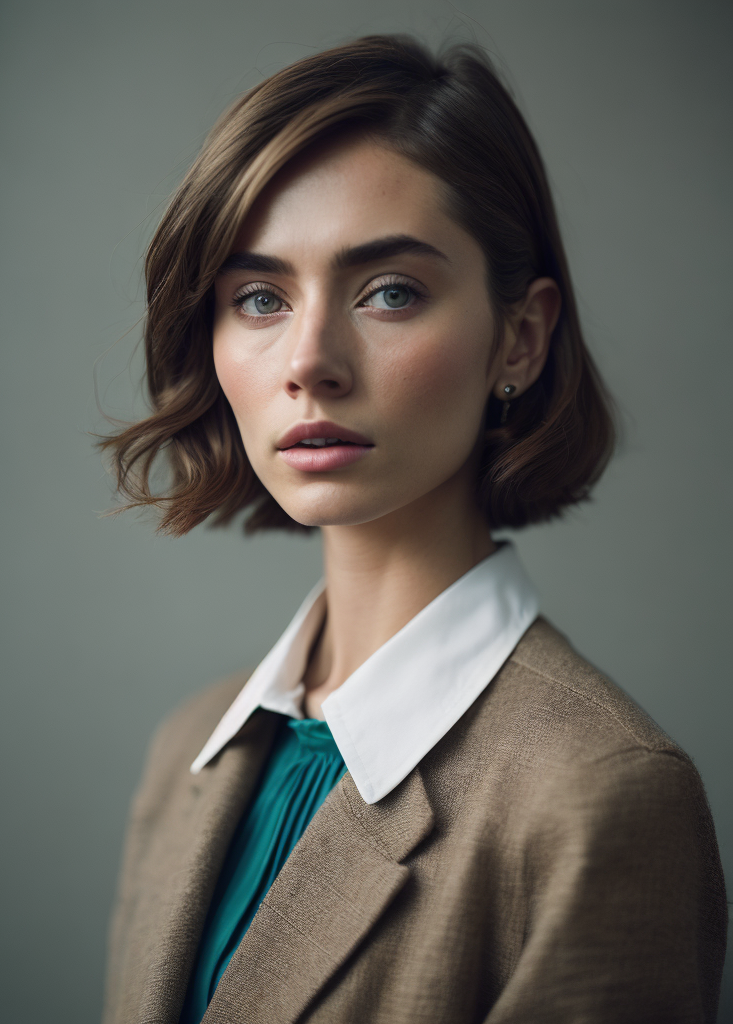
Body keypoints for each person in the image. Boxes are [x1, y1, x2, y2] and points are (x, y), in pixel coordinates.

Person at [98, 34, 726, 1024]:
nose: (310, 360)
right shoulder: (189, 750)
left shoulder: (601, 799)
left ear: (520, 334)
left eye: (389, 290)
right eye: (259, 297)